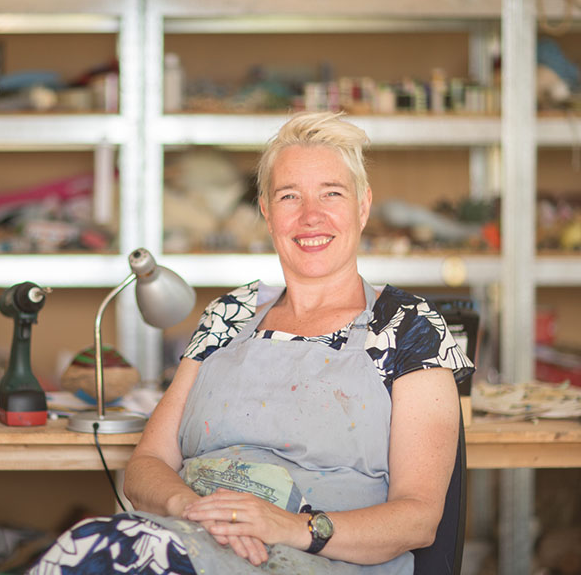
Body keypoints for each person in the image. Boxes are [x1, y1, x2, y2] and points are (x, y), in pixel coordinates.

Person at [28, 111, 474, 575]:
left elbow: (418, 518)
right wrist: (190, 509)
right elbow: (148, 463)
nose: (310, 216)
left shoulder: (407, 325)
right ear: (265, 210)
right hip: (191, 539)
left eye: (332, 193)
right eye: (289, 196)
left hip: (312, 559)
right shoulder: (230, 314)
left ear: (362, 207)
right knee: (89, 548)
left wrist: (291, 527)